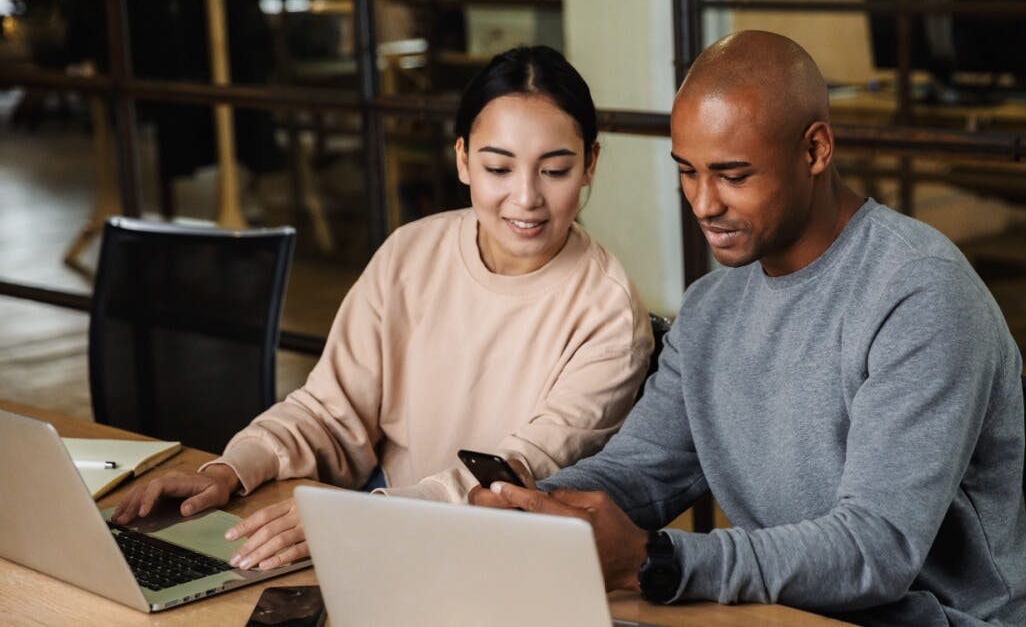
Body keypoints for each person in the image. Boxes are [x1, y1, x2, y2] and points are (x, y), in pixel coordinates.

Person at [474, 31, 1026, 625]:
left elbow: (877, 550)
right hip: (782, 614)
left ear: (816, 150)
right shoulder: (711, 308)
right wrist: (535, 507)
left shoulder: (921, 294)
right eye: (688, 172)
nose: (702, 203)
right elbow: (643, 468)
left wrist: (656, 559)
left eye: (733, 175)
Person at [113, 46, 654, 573]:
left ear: (590, 165)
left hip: (501, 567)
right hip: (381, 534)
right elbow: (330, 409)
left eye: (554, 171)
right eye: (499, 168)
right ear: (463, 159)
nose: (526, 197)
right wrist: (232, 468)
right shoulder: (410, 253)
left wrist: (358, 519)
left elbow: (518, 477)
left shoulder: (608, 313)